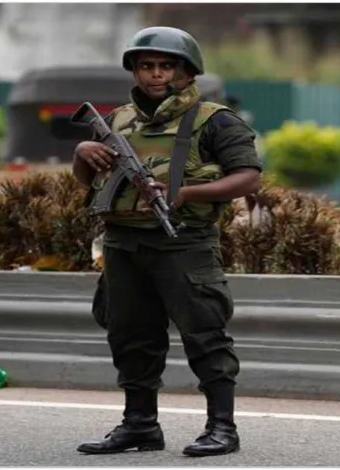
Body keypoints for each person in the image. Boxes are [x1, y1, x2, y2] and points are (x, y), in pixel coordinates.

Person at [71, 26, 262, 457]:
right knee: (130, 335)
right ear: (135, 71)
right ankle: (139, 425)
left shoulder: (214, 120)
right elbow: (89, 180)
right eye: (146, 66)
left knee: (205, 334)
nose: (156, 75)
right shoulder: (118, 119)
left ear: (187, 71)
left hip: (184, 243)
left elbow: (248, 175)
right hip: (123, 243)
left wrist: (187, 193)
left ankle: (222, 428)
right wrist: (83, 152)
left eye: (166, 66)